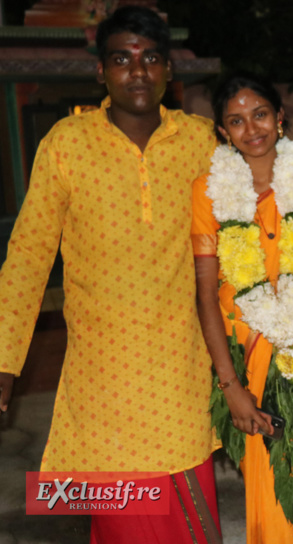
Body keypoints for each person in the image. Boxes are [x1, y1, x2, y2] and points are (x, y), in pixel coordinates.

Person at [0, 7, 223, 542]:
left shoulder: (201, 141)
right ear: (101, 71)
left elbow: (268, 164)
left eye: (150, 58)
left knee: (188, 526)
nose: (138, 71)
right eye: (122, 59)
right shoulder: (66, 144)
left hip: (183, 377)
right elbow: (28, 255)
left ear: (168, 69)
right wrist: (4, 360)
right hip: (102, 385)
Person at [192, 72, 293, 544]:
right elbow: (205, 294)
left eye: (260, 114)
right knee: (269, 481)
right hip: (247, 354)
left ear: (279, 118)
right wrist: (231, 386)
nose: (252, 128)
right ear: (222, 131)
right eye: (236, 120)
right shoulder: (208, 191)